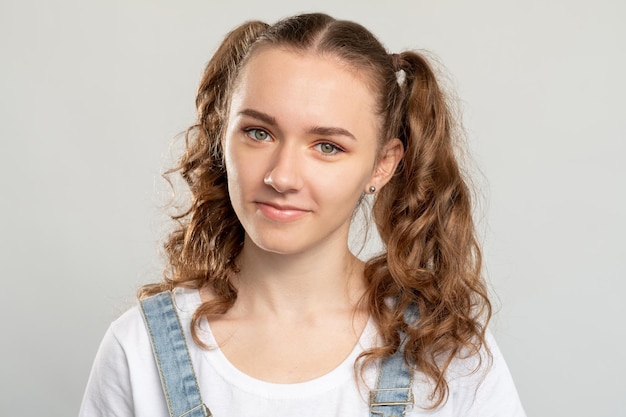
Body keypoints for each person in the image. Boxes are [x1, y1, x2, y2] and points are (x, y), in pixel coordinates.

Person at [79, 12, 526, 417]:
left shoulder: (448, 356)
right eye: (258, 133)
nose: (282, 176)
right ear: (222, 136)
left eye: (327, 146)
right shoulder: (139, 350)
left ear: (383, 164)